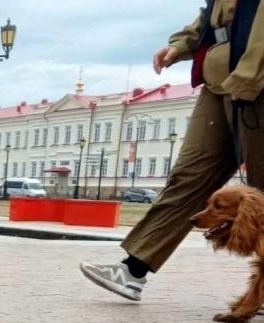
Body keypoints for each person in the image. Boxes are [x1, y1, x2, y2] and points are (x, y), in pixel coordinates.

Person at [81, 0, 264, 302]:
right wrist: (180, 46)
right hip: (219, 85)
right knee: (189, 176)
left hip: (254, 83)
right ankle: (133, 270)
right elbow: (210, 21)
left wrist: (248, 78)